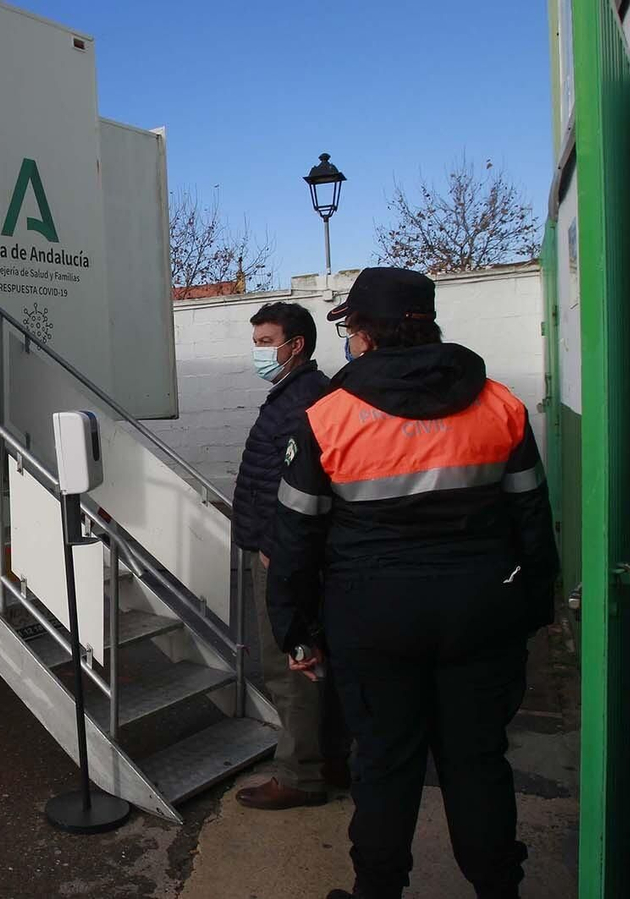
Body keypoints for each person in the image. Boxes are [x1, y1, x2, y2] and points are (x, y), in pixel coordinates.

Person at [266, 268, 559, 899]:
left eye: (349, 327)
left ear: (364, 335)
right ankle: (498, 890)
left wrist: (294, 632)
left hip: (373, 621)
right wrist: (534, 608)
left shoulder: (327, 418)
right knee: (478, 760)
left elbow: (294, 540)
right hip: (482, 614)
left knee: (384, 765)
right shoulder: (499, 404)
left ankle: (378, 892)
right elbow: (532, 519)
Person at [231, 301, 350, 811]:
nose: (258, 352)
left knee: (289, 665)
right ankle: (330, 761)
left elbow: (302, 492)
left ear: (294, 345)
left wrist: (277, 555)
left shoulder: (303, 401)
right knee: (315, 662)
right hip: (290, 554)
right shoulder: (295, 394)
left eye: (264, 343)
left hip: (285, 560)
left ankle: (299, 775)